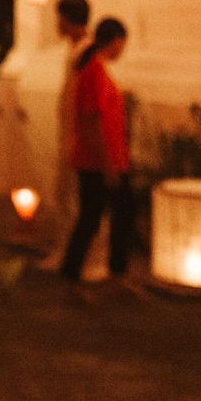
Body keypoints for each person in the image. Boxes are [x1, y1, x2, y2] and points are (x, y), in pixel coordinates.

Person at [60, 17, 134, 285]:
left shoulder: (96, 69)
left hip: (105, 158)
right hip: (99, 161)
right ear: (115, 41)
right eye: (122, 44)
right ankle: (77, 275)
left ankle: (109, 274)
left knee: (106, 216)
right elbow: (91, 120)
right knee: (97, 218)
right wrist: (107, 166)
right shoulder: (95, 71)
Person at [48, 0, 91, 258]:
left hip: (77, 134)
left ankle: (73, 254)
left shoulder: (86, 52)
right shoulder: (75, 50)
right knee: (65, 193)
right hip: (69, 131)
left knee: (72, 196)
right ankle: (66, 250)